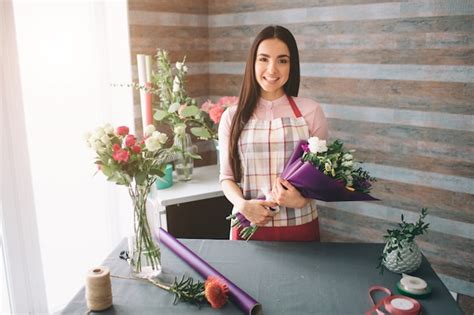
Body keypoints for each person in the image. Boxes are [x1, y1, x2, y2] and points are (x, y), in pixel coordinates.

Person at [218, 25, 328, 241]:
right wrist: (242, 205)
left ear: (292, 65)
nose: (272, 69)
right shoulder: (232, 117)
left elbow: (321, 175)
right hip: (248, 225)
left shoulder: (311, 111)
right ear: (253, 63)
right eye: (264, 59)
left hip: (300, 225)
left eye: (282, 60)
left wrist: (302, 200)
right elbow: (227, 178)